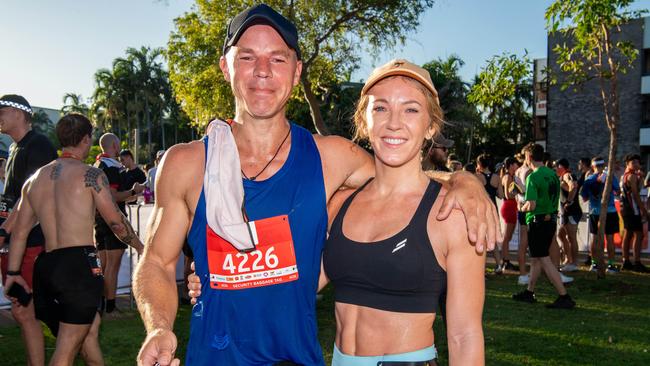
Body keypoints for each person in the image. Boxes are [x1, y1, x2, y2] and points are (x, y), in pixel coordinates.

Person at [133, 4, 499, 366]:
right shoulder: (186, 164)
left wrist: (463, 180)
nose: (263, 71)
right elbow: (157, 262)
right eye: (247, 57)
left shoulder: (333, 159)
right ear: (225, 66)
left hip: (298, 358)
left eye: (277, 59)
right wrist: (159, 327)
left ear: (296, 73)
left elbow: (403, 179)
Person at [189, 59, 486, 365]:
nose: (394, 122)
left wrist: (464, 179)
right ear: (364, 120)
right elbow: (294, 280)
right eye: (380, 108)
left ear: (431, 126)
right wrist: (216, 278)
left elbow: (465, 335)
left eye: (411, 109)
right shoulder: (340, 204)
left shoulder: (452, 213)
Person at [4, 113, 144, 365]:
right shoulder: (90, 175)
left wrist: (13, 272)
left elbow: (20, 233)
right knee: (67, 348)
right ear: (86, 139)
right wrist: (141, 247)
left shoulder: (34, 180)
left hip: (46, 267)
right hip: (78, 266)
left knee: (87, 333)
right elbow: (115, 222)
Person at [0, 94, 57, 365]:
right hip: (13, 243)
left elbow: (32, 198)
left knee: (31, 311)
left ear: (21, 112)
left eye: (3, 110)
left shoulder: (39, 145)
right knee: (22, 311)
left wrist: (4, 229)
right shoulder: (14, 149)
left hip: (31, 243)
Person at [513, 143, 575, 309]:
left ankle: (564, 296)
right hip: (551, 220)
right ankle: (529, 292)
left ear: (529, 157)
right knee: (536, 258)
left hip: (537, 221)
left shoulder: (533, 177)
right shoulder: (553, 174)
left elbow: (531, 205)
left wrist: (521, 206)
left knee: (544, 260)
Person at [94, 133, 145, 313]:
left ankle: (101, 305)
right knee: (112, 267)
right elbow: (113, 197)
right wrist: (133, 191)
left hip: (98, 221)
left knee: (104, 266)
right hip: (113, 218)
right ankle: (110, 307)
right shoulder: (111, 167)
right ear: (115, 145)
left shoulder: (98, 165)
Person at [580, 157, 620, 273]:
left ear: (593, 166)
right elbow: (618, 192)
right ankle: (611, 265)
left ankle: (594, 264)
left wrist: (594, 194)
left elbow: (584, 197)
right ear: (603, 165)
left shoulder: (589, 179)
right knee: (610, 238)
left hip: (595, 212)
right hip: (610, 211)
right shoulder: (610, 177)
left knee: (594, 238)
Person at [620, 153, 648, 272]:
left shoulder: (625, 176)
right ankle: (636, 262)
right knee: (638, 234)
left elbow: (637, 189)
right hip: (632, 210)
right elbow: (636, 195)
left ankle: (626, 261)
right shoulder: (631, 176)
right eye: (633, 162)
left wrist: (641, 178)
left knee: (628, 234)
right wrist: (644, 210)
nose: (637, 164)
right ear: (627, 164)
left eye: (638, 162)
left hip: (627, 209)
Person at [555, 158, 582, 272]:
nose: (555, 169)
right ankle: (568, 259)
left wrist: (569, 202)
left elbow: (574, 186)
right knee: (561, 235)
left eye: (556, 166)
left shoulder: (567, 175)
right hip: (566, 212)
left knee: (571, 237)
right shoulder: (563, 177)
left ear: (562, 167)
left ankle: (574, 263)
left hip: (572, 211)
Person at [513, 150, 532, 285]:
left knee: (524, 241)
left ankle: (524, 273)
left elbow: (514, 191)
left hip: (522, 207)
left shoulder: (518, 170)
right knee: (525, 241)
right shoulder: (527, 171)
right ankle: (523, 274)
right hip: (527, 208)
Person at [500, 157, 520, 271]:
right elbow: (508, 195)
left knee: (509, 236)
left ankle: (506, 260)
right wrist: (520, 194)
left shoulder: (512, 177)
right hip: (509, 206)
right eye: (516, 164)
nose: (517, 166)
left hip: (512, 206)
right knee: (507, 236)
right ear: (511, 165)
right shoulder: (507, 177)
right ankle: (505, 261)